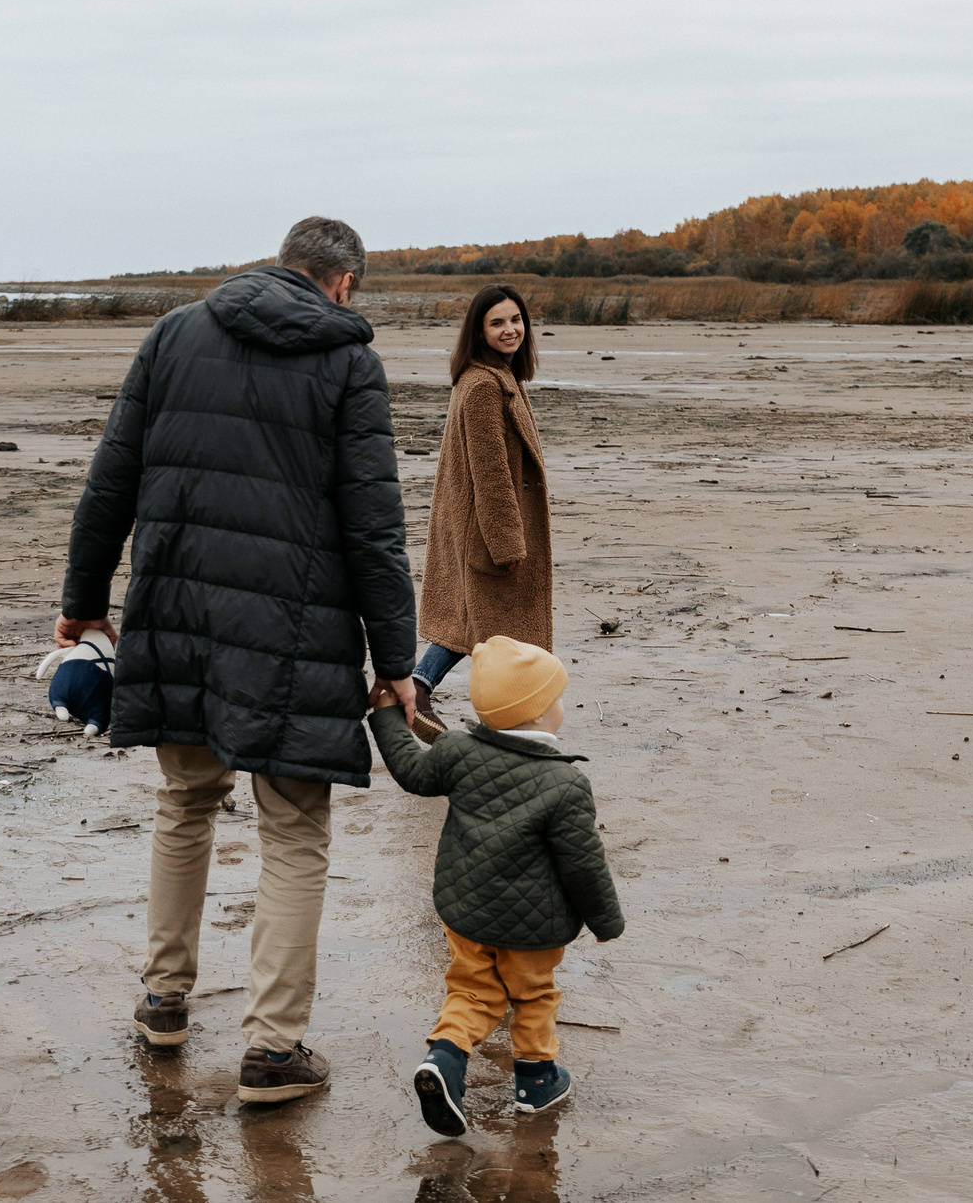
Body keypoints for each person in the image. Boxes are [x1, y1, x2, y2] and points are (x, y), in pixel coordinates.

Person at [55, 215, 418, 1104]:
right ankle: (274, 1048)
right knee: (294, 829)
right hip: (294, 625)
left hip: (177, 607)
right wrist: (396, 658)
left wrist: (82, 600)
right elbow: (373, 525)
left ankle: (163, 999)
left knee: (184, 803)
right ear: (341, 283)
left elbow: (113, 476)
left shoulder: (175, 334)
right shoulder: (347, 360)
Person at [367, 636, 623, 1135]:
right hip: (534, 927)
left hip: (465, 912)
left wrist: (384, 716)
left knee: (471, 990)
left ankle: (444, 1059)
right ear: (539, 713)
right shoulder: (565, 784)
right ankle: (536, 1080)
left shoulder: (459, 750)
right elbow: (583, 864)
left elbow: (411, 771)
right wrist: (605, 921)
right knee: (533, 996)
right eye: (557, 698)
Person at [411, 282, 550, 740]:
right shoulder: (483, 387)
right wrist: (508, 542)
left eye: (515, 319)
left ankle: (421, 692)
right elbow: (490, 476)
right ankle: (508, 720)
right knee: (490, 630)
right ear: (479, 330)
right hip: (488, 531)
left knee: (471, 623)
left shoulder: (503, 378)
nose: (510, 329)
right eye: (497, 323)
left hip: (479, 528)